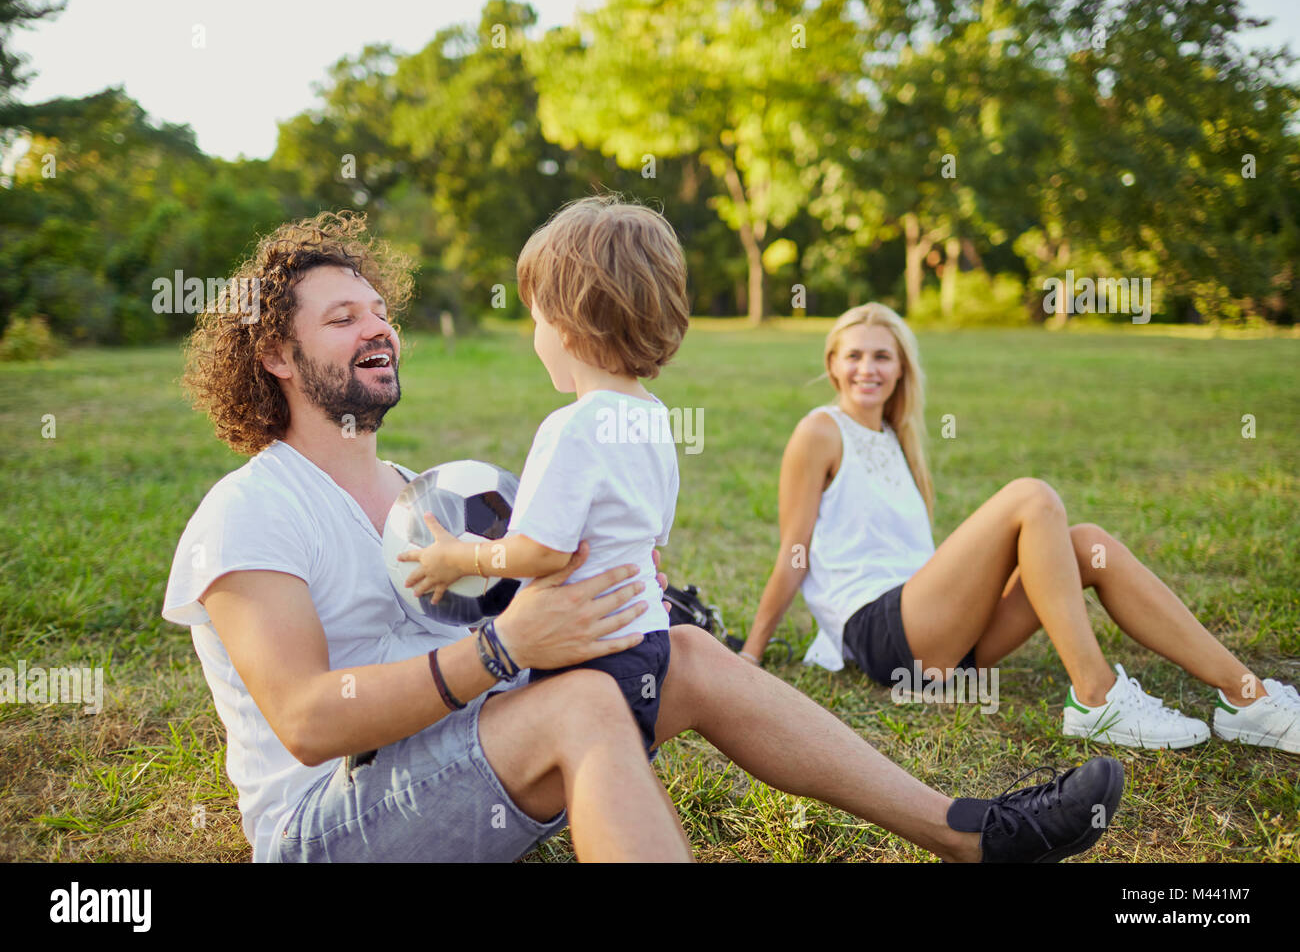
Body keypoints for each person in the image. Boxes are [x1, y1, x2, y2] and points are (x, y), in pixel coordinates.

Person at [162, 212, 1125, 863]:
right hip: (328, 825)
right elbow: (308, 721)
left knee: (691, 655)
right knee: (581, 708)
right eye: (343, 318)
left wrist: (608, 603)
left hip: (468, 760)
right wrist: (501, 648)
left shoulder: (433, 496)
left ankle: (975, 833)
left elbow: (531, 588)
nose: (380, 327)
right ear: (278, 355)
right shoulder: (249, 512)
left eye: (380, 310)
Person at [743, 303, 1300, 754]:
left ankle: (1247, 698)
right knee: (1031, 497)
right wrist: (750, 655)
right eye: (855, 355)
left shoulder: (897, 438)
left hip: (945, 640)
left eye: (883, 356)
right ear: (833, 363)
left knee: (1089, 544)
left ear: (902, 369)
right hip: (884, 634)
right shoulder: (820, 431)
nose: (868, 368)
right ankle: (1096, 697)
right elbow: (795, 553)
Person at [398, 196, 686, 753]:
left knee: (593, 772)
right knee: (622, 758)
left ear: (569, 328)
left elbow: (543, 553)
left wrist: (461, 557)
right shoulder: (654, 416)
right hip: (648, 637)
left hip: (588, 647)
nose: (534, 338)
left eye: (536, 321)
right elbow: (654, 535)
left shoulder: (573, 426)